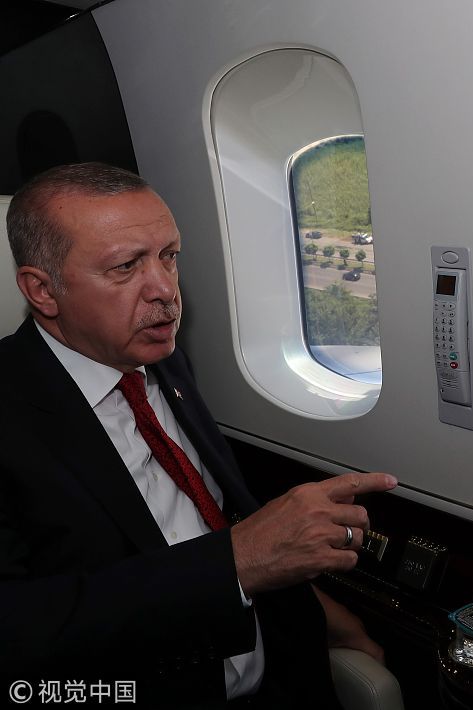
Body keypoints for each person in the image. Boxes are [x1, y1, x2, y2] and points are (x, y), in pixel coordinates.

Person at [0, 163, 397, 708]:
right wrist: (238, 561)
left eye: (169, 255)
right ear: (42, 290)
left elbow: (211, 518)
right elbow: (21, 634)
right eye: (125, 266)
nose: (165, 289)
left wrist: (331, 619)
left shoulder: (161, 360)